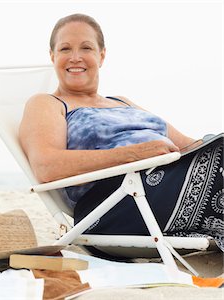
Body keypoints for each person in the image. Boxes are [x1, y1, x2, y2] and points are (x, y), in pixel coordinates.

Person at [19, 13, 223, 252]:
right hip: (112, 204)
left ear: (101, 55)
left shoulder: (121, 101)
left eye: (86, 47)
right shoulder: (48, 103)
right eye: (65, 49)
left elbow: (190, 146)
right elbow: (46, 167)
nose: (75, 57)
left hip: (165, 186)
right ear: (53, 56)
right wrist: (134, 154)